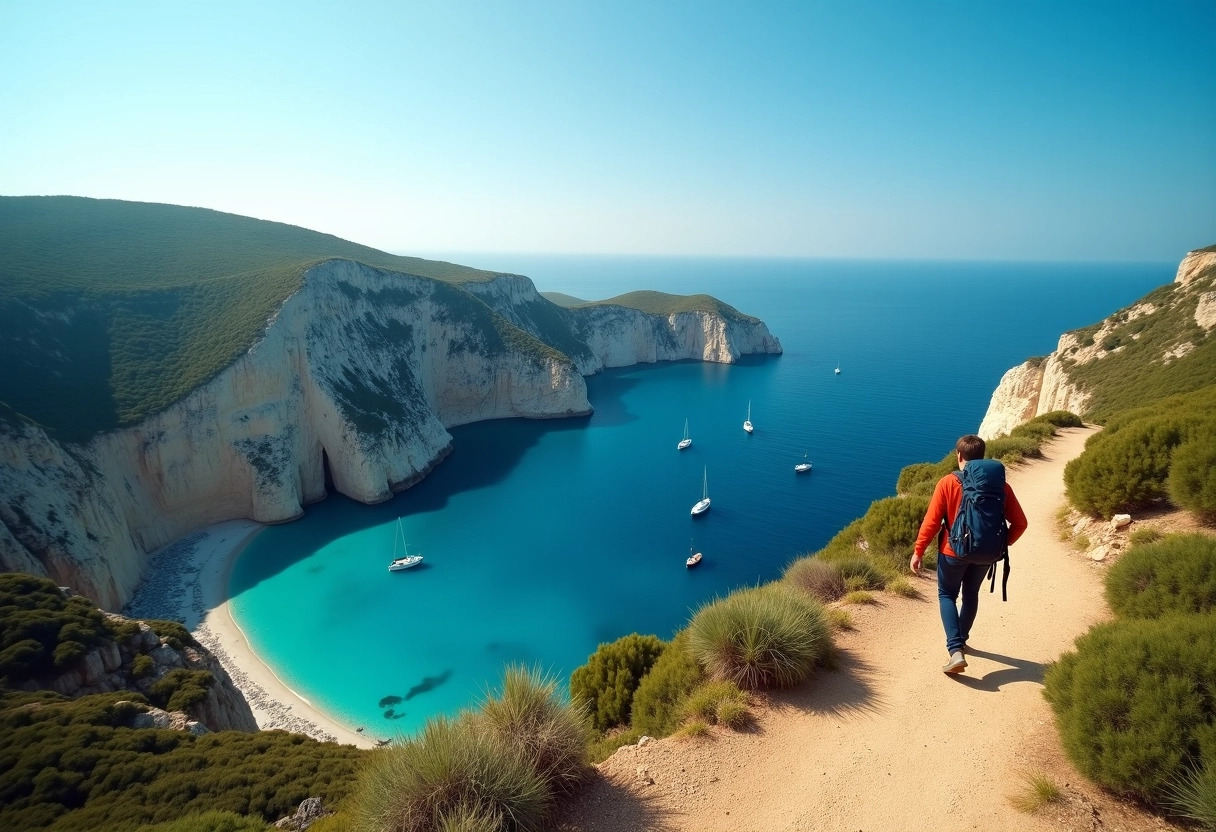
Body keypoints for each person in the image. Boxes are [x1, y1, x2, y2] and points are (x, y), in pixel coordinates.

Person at [910, 434, 1028, 674]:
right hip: (987, 554)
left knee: (947, 595)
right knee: (971, 594)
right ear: (982, 456)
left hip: (952, 553)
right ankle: (961, 640)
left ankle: (955, 651)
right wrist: (1001, 545)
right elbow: (1020, 523)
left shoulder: (947, 483)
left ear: (959, 456)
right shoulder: (1000, 486)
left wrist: (918, 550)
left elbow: (932, 523)